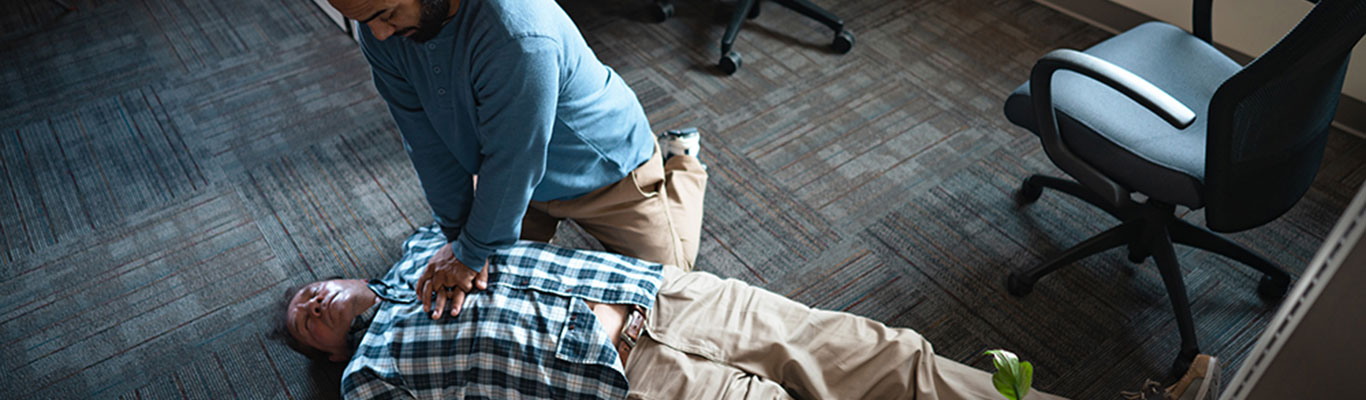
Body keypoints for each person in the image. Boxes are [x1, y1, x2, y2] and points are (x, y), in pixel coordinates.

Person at [282, 148, 1067, 400]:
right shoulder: (370, 375)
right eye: (304, 318)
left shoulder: (428, 243)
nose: (310, 299)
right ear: (324, 353)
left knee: (888, 355)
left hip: (664, 296)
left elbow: (495, 184)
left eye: (313, 287)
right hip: (634, 381)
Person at [325, 0, 697, 319]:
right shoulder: (382, 34)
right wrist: (458, 237)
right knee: (492, 296)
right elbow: (427, 146)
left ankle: (682, 165)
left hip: (605, 171)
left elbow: (515, 161)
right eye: (364, 20)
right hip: (511, 175)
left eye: (385, 13)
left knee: (670, 297)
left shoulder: (518, 33)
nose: (378, 34)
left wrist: (471, 252)